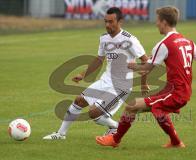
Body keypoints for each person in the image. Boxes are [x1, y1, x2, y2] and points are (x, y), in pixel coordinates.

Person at [95, 6, 196, 148]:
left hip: (176, 92)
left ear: (164, 22)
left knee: (141, 107)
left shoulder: (164, 44)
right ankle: (174, 141)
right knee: (141, 107)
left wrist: (132, 66)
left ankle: (116, 139)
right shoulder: (187, 42)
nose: (156, 24)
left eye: (158, 21)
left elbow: (147, 68)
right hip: (181, 91)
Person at [43, 7, 149, 140]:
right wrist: (83, 74)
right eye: (105, 21)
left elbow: (147, 62)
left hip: (121, 86)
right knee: (79, 100)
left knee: (94, 113)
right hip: (106, 81)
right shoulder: (104, 38)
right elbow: (99, 59)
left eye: (111, 22)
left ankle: (116, 127)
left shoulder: (130, 40)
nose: (107, 25)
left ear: (120, 21)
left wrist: (144, 84)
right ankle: (61, 134)